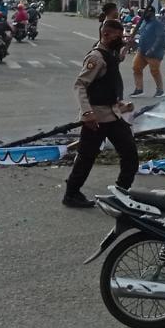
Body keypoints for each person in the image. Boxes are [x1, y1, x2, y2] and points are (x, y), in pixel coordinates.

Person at [62, 19, 138, 208]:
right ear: (105, 34)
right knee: (87, 157)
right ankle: (71, 193)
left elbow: (116, 60)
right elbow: (80, 85)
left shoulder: (109, 53)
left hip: (113, 114)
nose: (120, 40)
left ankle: (121, 193)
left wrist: (121, 105)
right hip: (96, 117)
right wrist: (87, 113)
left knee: (130, 154)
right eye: (117, 37)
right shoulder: (96, 58)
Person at [130, 6, 165, 98]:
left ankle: (160, 90)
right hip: (142, 51)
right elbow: (141, 34)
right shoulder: (144, 22)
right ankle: (139, 89)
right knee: (136, 67)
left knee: (154, 71)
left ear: (151, 13)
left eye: (145, 12)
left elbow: (160, 38)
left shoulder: (157, 24)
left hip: (154, 52)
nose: (143, 14)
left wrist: (152, 49)